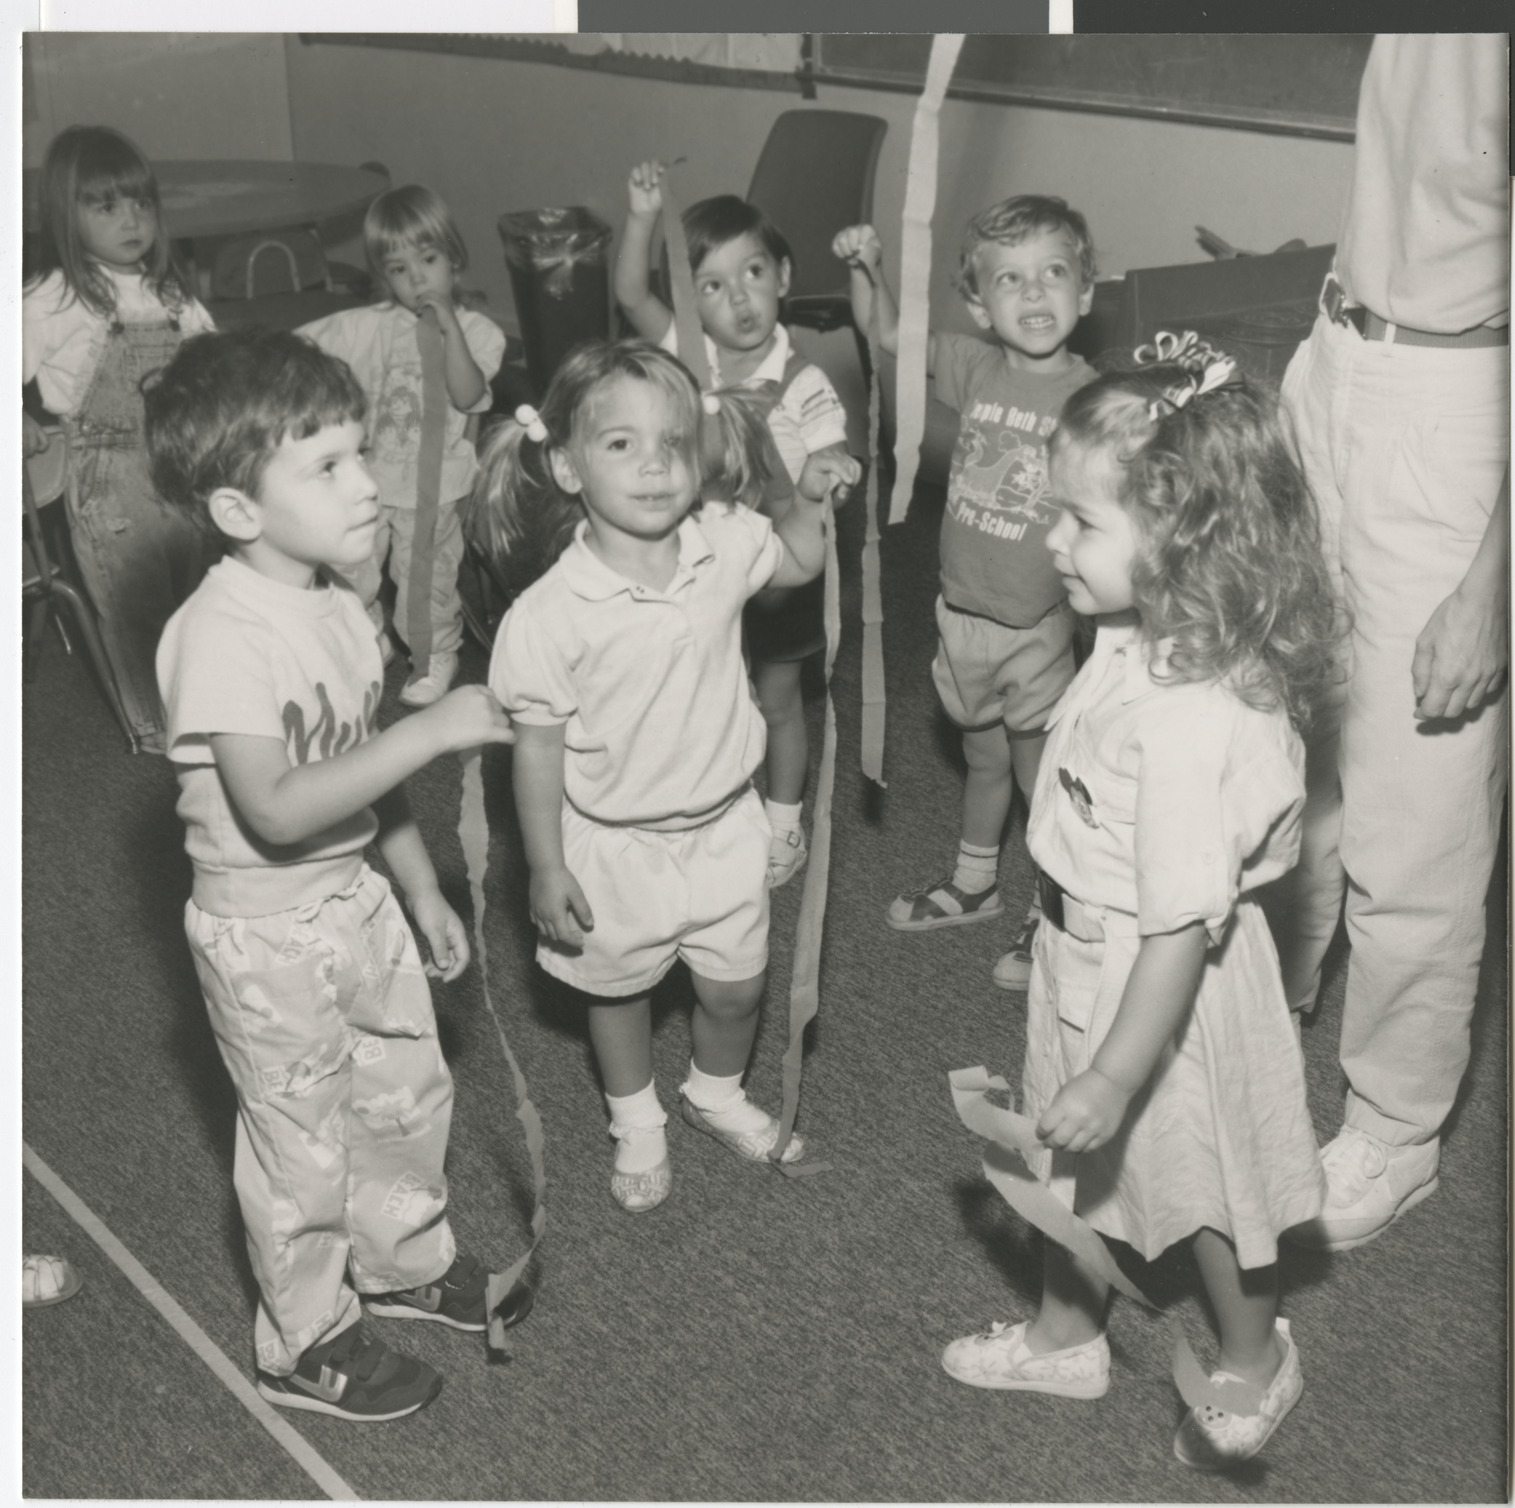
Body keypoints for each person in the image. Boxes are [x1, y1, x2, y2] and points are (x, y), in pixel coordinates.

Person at [941, 344, 1339, 1470]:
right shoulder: (1138, 629)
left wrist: (1117, 1070)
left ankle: (1256, 1353)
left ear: (1181, 544)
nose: (1052, 541)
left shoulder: (1185, 724)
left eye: (1079, 521)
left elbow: (1176, 928)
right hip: (1088, 951)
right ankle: (1070, 1333)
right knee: (1069, 1167)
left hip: (1167, 991)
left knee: (1209, 1191)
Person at [144, 328, 519, 1422]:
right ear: (236, 510)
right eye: (328, 465)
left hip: (352, 899)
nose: (368, 484)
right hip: (265, 937)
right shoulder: (219, 632)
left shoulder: (338, 602)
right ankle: (302, 1337)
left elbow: (356, 773)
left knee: (405, 1091)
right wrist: (438, 727)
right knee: (298, 1146)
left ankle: (401, 1261)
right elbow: (274, 805)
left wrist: (418, 880)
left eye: (362, 452)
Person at [475, 340, 858, 1213]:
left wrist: (805, 500)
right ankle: (635, 1115)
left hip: (726, 827)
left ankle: (713, 1092)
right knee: (621, 993)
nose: (654, 464)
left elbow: (795, 562)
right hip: (612, 847)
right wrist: (544, 865)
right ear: (569, 468)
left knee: (738, 988)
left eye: (673, 444)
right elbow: (534, 750)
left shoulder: (721, 542)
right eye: (620, 445)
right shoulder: (547, 615)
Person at [1263, 34, 1510, 1254]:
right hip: (1338, 359)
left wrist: (1493, 578)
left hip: (1459, 411)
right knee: (1285, 716)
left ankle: (1395, 1125)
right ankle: (1274, 994)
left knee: (1419, 804)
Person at [833, 198, 1099, 991]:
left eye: (1053, 273)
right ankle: (976, 882)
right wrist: (863, 266)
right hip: (960, 615)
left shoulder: (1090, 397)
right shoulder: (974, 365)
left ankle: (1056, 918)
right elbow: (883, 332)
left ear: (1084, 293)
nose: (1033, 294)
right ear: (981, 305)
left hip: (1037, 625)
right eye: (1009, 280)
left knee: (1037, 780)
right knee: (982, 758)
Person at [615, 166, 854, 889]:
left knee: (777, 700)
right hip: (698, 561)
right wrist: (641, 216)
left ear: (782, 275)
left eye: (751, 272)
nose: (737, 297)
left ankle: (783, 825)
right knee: (703, 690)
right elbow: (630, 292)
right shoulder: (691, 354)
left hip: (779, 565)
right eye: (710, 286)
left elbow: (831, 454)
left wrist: (829, 475)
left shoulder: (805, 382)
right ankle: (704, 805)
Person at [22, 124, 216, 754]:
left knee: (204, 593)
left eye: (141, 204)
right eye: (106, 206)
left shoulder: (173, 296)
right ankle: (159, 728)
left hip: (182, 466)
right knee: (136, 608)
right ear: (65, 216)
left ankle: (214, 703)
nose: (131, 220)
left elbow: (215, 368)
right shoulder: (49, 300)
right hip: (108, 482)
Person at [300, 185, 506, 708]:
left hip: (432, 485)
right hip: (369, 480)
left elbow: (468, 391)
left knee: (423, 576)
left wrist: (449, 328)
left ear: (454, 263)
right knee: (350, 566)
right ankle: (369, 635)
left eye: (428, 260)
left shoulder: (481, 331)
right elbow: (305, 342)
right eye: (397, 268)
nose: (415, 277)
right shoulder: (373, 325)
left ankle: (434, 651)